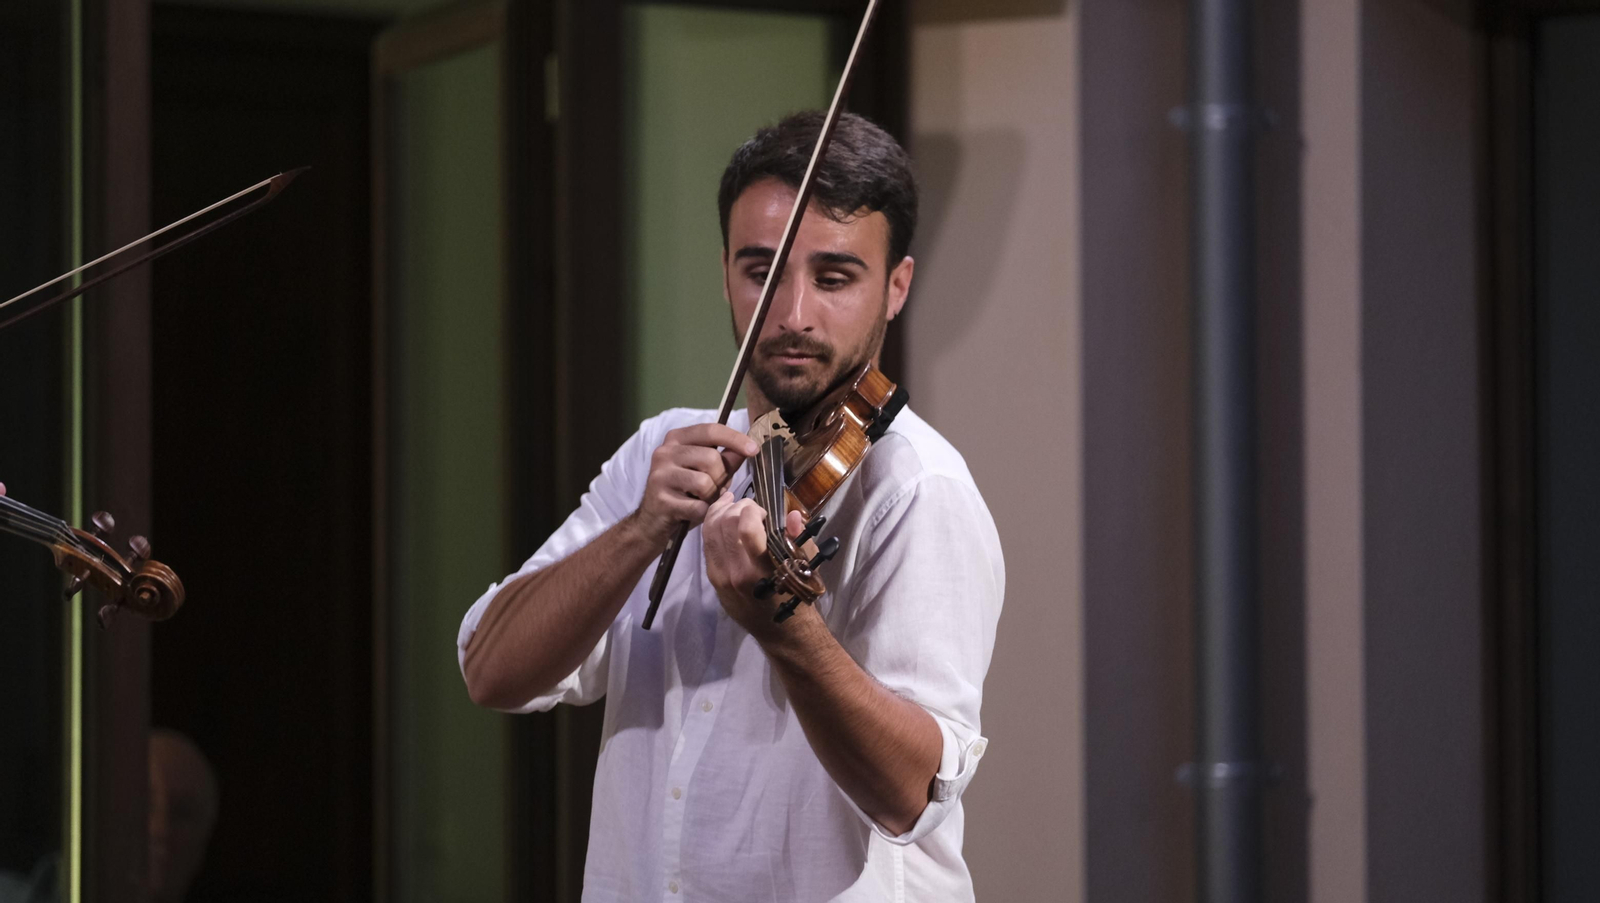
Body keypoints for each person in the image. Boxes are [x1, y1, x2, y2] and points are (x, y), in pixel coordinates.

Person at [459, 111, 1004, 902]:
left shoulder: (918, 489)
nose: (791, 315)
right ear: (724, 274)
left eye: (835, 277)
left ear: (897, 287)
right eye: (762, 271)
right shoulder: (667, 453)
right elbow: (490, 670)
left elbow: (910, 791)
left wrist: (785, 626)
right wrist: (643, 530)